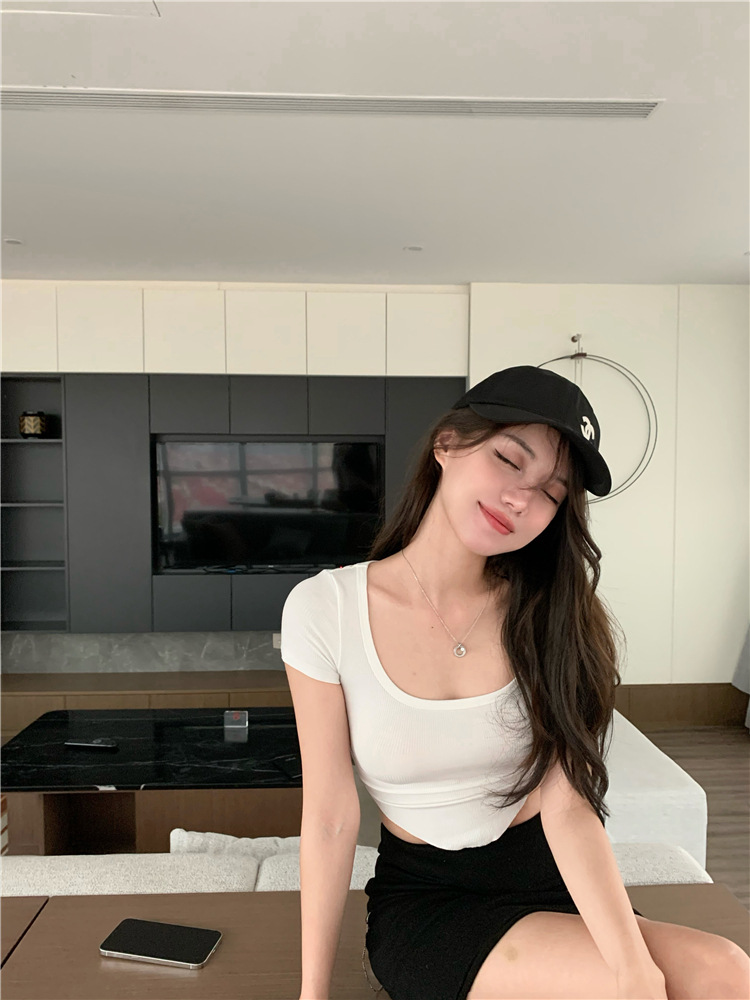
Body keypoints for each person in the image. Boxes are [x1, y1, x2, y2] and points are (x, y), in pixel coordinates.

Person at [280, 366, 750, 1000]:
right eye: (508, 460)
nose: (521, 500)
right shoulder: (326, 609)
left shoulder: (551, 614)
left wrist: (633, 967)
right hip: (432, 902)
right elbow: (331, 817)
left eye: (552, 493)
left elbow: (569, 806)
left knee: (727, 971)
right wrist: (312, 993)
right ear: (447, 443)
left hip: (551, 877)